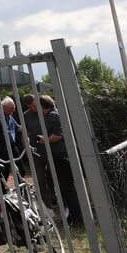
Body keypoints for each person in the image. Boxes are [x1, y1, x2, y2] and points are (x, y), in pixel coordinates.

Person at [34, 95, 83, 227]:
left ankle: (77, 217)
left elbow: (58, 135)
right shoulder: (56, 114)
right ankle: (74, 216)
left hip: (60, 155)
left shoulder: (52, 116)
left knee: (66, 188)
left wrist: (45, 140)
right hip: (62, 154)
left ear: (42, 106)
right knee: (66, 188)